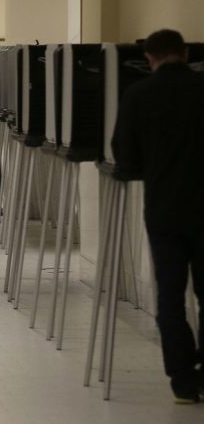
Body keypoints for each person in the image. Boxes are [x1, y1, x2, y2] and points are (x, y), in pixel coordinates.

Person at [112, 29, 204, 404]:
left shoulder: (138, 94)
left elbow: (125, 155)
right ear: (184, 53)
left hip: (164, 209)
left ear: (148, 57)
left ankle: (182, 383)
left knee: (169, 297)